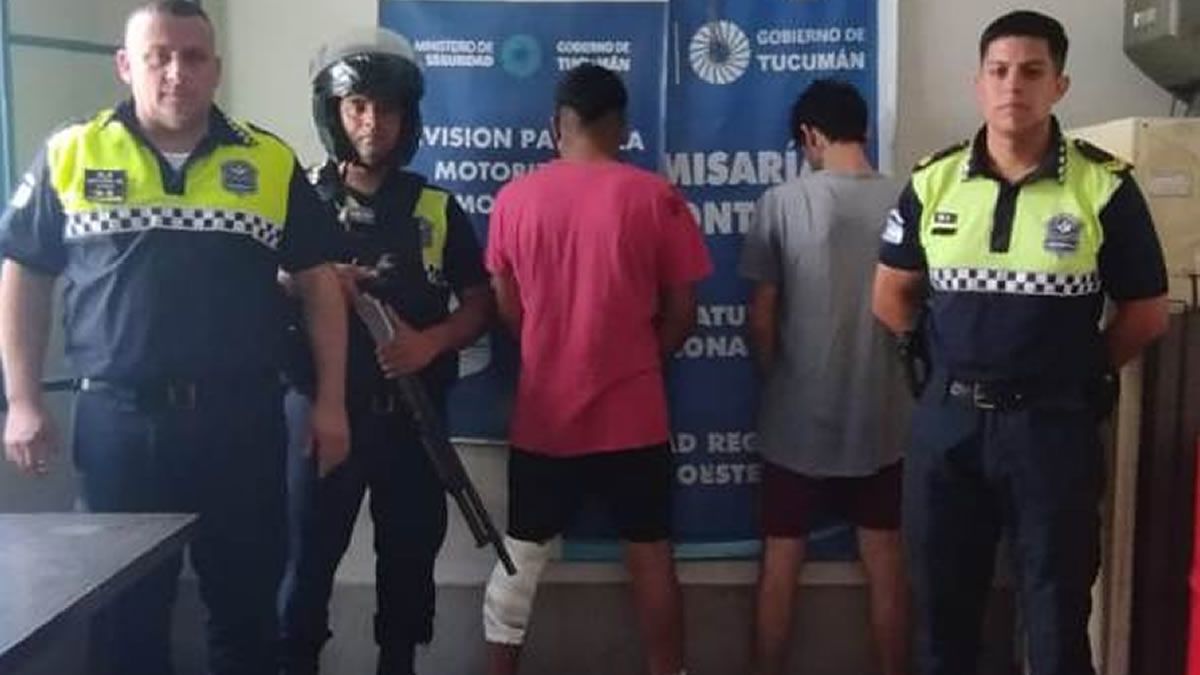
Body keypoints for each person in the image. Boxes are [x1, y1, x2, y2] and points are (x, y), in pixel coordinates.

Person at [0, 2, 350, 674]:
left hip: (242, 423)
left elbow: (319, 284)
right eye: (157, 56)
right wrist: (22, 399)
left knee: (247, 617)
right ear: (125, 65)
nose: (175, 73)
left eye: (192, 57)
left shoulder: (267, 159)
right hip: (118, 426)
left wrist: (330, 402)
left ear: (215, 69)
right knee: (123, 623)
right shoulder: (72, 152)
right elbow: (24, 272)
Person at [872, 10, 1169, 675]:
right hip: (948, 428)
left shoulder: (1104, 186)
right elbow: (890, 295)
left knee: (1056, 620)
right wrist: (932, 365)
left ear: (1059, 85)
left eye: (1032, 72)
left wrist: (1078, 373)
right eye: (999, 71)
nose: (1014, 86)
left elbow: (1147, 314)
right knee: (942, 622)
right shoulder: (934, 180)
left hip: (1051, 429)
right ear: (978, 83)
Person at [481, 63, 710, 675]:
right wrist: (635, 360)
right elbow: (683, 314)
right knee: (651, 555)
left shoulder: (513, 200)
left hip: (543, 416)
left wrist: (552, 349)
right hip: (635, 415)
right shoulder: (657, 197)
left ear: (556, 125)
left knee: (518, 561)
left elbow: (507, 307)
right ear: (622, 127)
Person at [277, 28, 492, 675]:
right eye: (358, 106)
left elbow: (481, 303)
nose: (373, 123)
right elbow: (250, 282)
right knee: (307, 561)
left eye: (388, 109)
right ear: (335, 112)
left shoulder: (436, 207)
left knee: (408, 561)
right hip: (321, 416)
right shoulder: (296, 196)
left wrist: (431, 343)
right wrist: (312, 282)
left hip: (411, 421)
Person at [739, 78, 910, 675]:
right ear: (864, 129)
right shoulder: (908, 200)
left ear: (810, 135)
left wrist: (780, 379)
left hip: (797, 418)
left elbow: (762, 318)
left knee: (781, 559)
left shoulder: (781, 203)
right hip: (885, 417)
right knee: (885, 560)